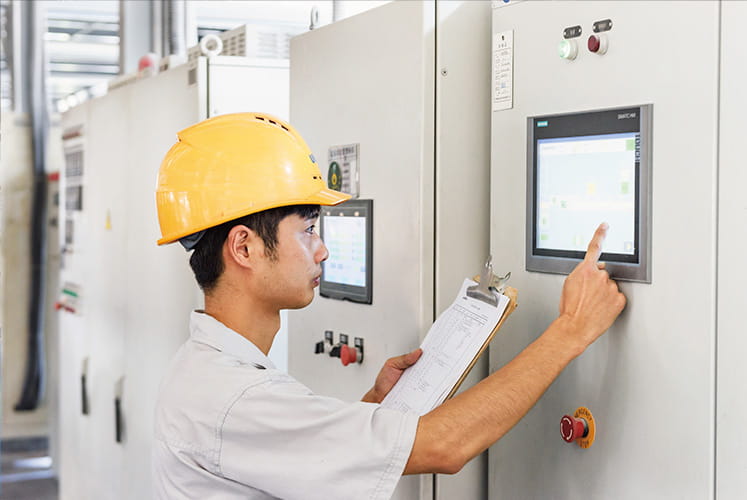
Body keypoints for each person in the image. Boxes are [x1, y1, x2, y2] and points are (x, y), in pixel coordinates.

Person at [152, 113, 626, 499]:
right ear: (244, 247)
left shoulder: (209, 373)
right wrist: (571, 329)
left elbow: (299, 459)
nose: (322, 251)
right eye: (308, 230)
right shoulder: (236, 399)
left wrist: (376, 406)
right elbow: (446, 447)